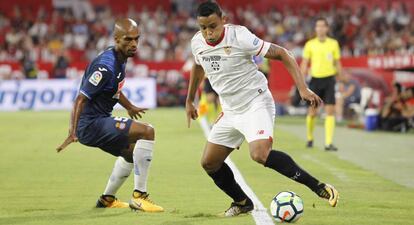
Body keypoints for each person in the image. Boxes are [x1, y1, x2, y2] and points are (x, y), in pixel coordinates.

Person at [185, 1, 339, 217]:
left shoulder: (240, 37)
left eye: (213, 26)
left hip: (255, 103)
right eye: (203, 27)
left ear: (224, 20)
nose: (208, 33)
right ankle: (242, 202)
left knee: (259, 154)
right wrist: (189, 99)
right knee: (209, 163)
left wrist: (302, 88)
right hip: (230, 110)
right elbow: (199, 66)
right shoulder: (197, 43)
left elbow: (283, 53)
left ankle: (319, 186)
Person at [56, 18, 163, 212]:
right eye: (128, 39)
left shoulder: (119, 58)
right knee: (148, 131)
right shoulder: (105, 66)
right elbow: (80, 99)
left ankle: (107, 199)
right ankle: (140, 197)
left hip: (97, 121)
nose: (133, 44)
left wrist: (129, 107)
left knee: (133, 154)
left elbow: (114, 89)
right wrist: (73, 131)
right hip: (91, 125)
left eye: (136, 39)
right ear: (116, 39)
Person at [300, 17, 342, 151]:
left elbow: (337, 63)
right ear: (315, 29)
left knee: (330, 111)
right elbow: (305, 63)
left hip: (329, 79)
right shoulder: (310, 44)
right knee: (312, 112)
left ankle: (328, 143)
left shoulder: (333, 44)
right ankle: (310, 139)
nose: (320, 28)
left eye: (323, 26)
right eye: (318, 26)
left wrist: (340, 80)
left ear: (327, 28)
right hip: (315, 80)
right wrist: (301, 81)